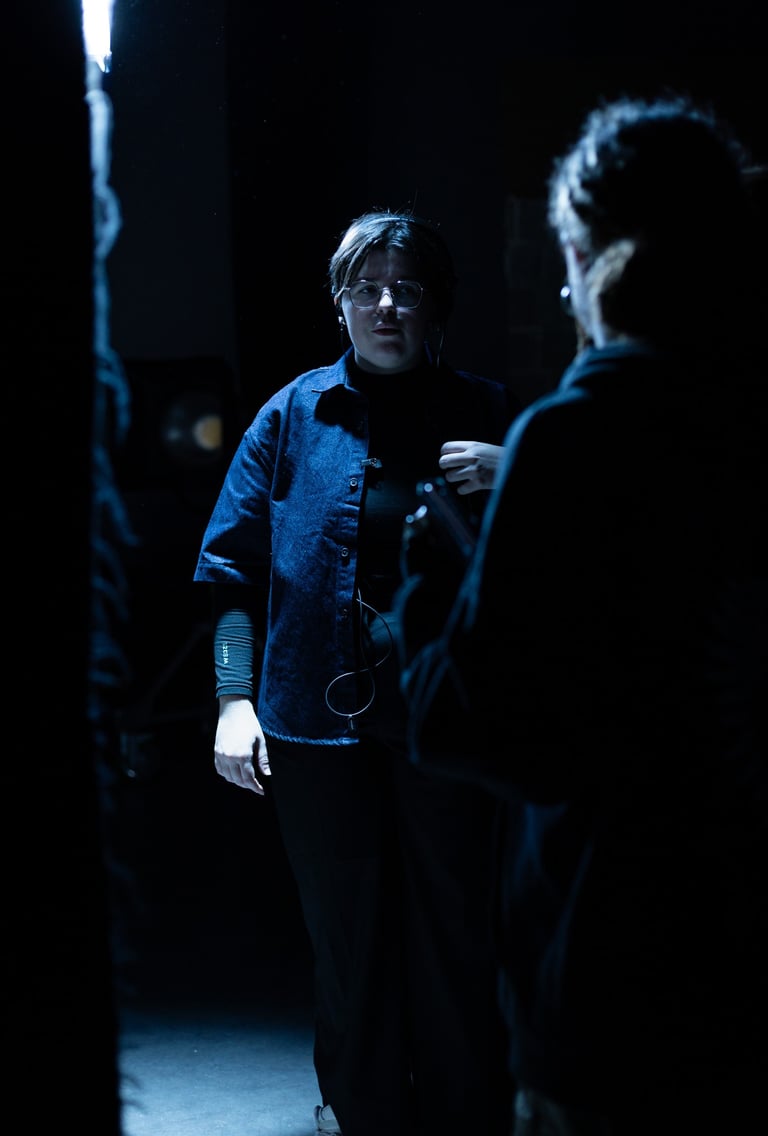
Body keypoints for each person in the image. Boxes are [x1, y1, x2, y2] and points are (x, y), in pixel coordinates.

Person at [397, 95, 768, 1135]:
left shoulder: (579, 432)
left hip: (619, 974)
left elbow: (474, 725)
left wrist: (440, 577)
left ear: (587, 254)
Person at [193, 209, 521, 1136]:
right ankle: (364, 1109)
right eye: (366, 288)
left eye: (406, 289)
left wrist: (521, 473)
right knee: (347, 935)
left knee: (457, 931)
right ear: (339, 304)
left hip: (450, 728)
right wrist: (232, 699)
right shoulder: (291, 415)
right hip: (312, 725)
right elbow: (229, 572)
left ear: (436, 306)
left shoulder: (493, 414)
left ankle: (465, 1112)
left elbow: (574, 565)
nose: (385, 306)